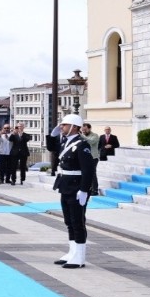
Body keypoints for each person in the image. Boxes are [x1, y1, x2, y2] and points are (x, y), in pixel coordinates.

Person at [52, 114, 96, 269]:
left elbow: (89, 169)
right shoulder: (65, 142)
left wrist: (84, 190)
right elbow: (52, 148)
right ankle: (72, 252)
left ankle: (80, 256)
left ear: (74, 127)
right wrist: (52, 134)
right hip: (65, 186)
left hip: (77, 187)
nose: (61, 127)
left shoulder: (82, 145)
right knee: (69, 221)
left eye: (64, 125)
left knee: (78, 222)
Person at [81, 123, 100, 196]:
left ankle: (95, 190)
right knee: (85, 173)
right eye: (83, 130)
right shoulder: (82, 136)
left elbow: (91, 141)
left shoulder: (94, 135)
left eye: (85, 130)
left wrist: (82, 136)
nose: (84, 131)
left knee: (92, 173)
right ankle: (88, 188)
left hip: (93, 157)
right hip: (84, 157)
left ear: (89, 128)